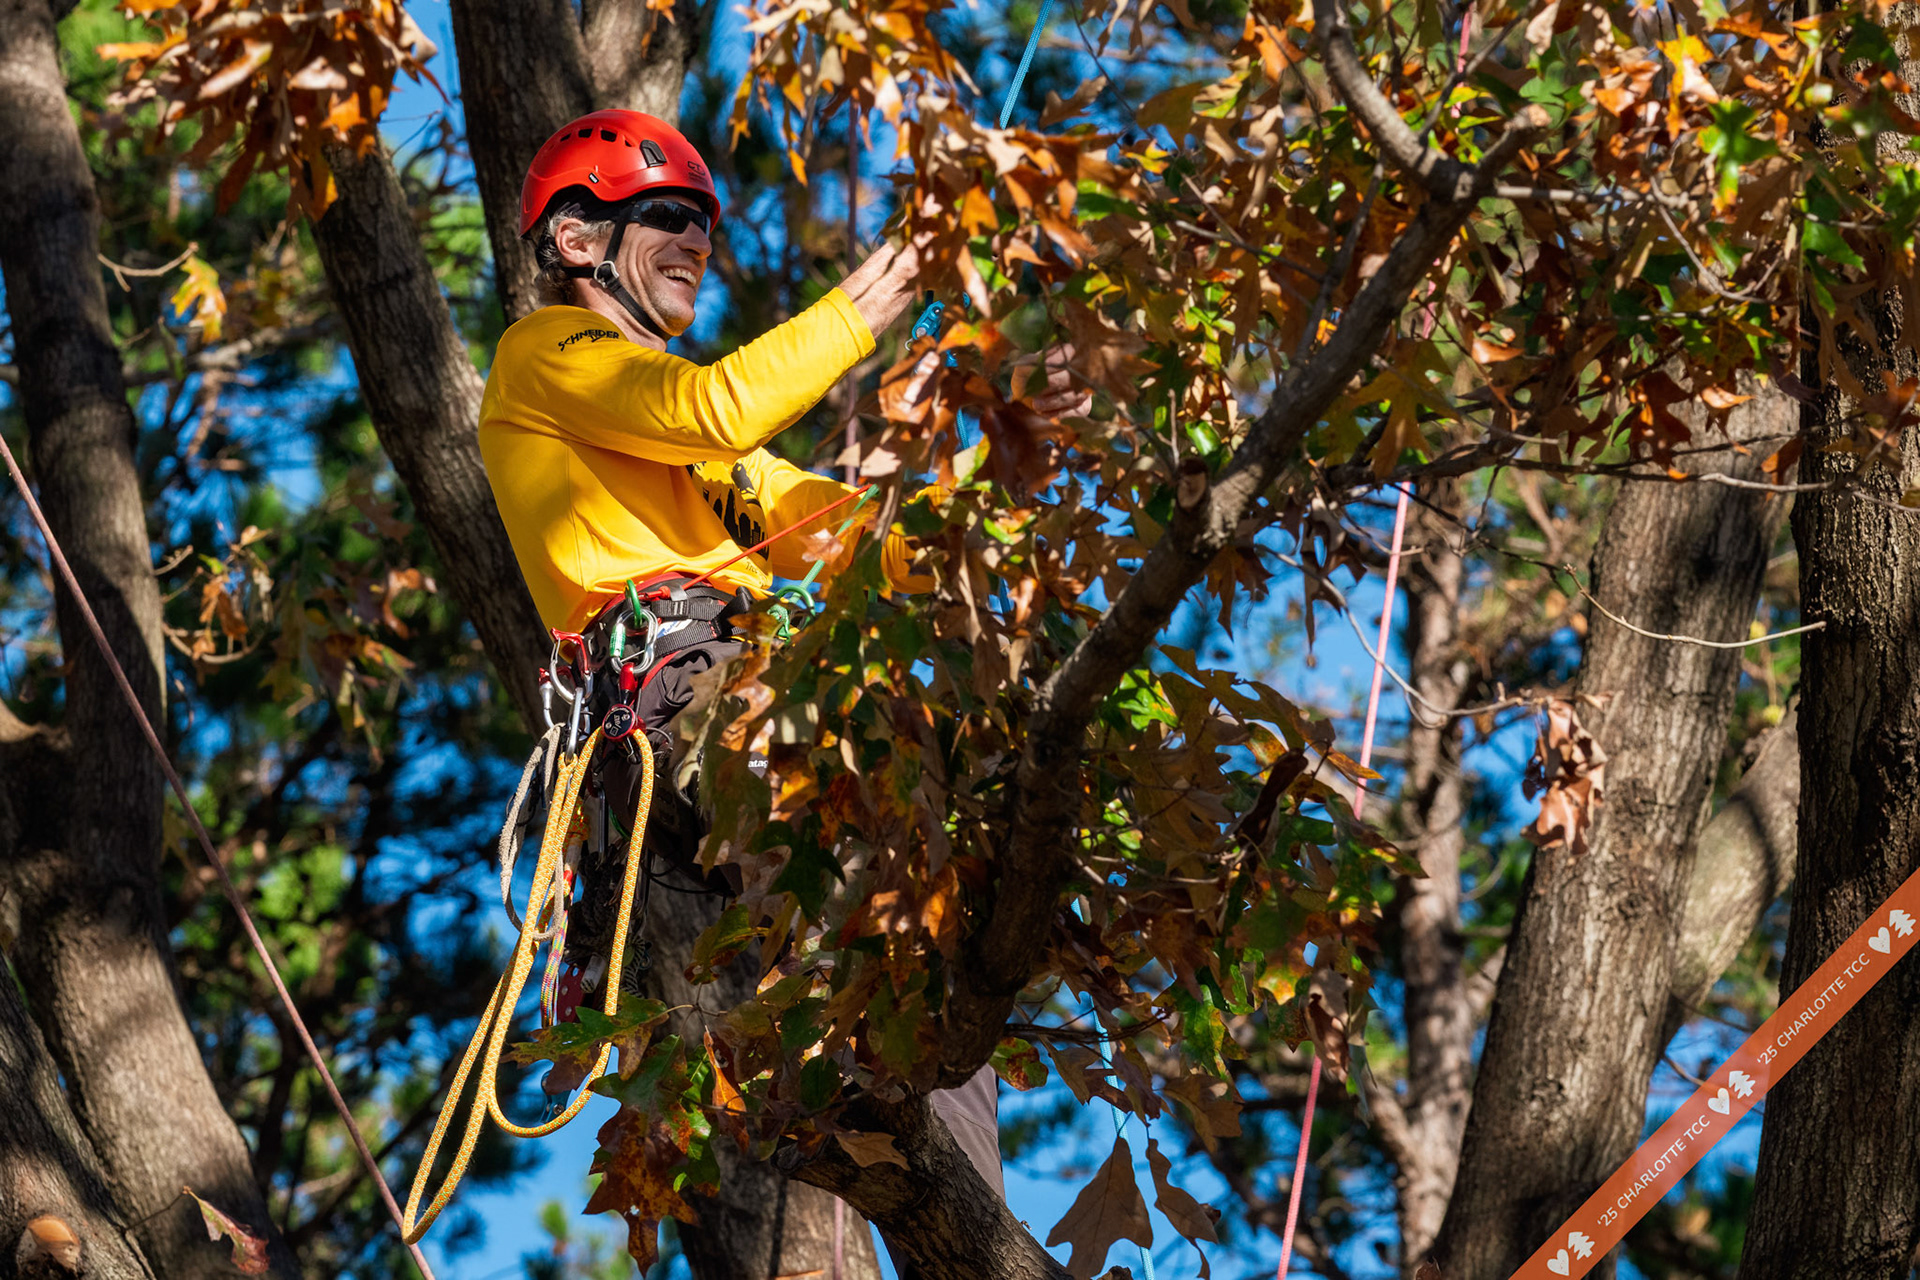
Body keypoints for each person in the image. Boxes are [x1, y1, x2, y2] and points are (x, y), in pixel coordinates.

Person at [477, 109, 1036, 1260]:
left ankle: (969, 1231)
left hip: (746, 687)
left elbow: (837, 532)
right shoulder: (546, 351)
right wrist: (883, 288)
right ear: (577, 240)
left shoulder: (697, 447)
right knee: (877, 920)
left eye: (706, 225)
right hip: (689, 678)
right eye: (668, 216)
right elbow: (713, 404)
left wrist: (1002, 458)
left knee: (926, 951)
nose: (699, 241)